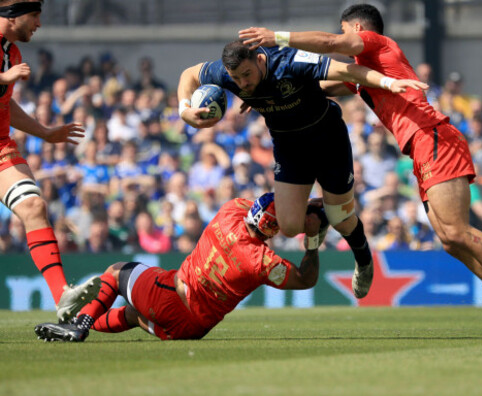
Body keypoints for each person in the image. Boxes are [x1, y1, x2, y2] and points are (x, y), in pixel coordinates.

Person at [239, 3, 482, 341]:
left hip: (432, 136)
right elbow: (322, 86)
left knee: (456, 231)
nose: (342, 37)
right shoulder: (370, 70)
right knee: (448, 241)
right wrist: (267, 92)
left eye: (344, 30)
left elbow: (329, 44)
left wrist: (277, 38)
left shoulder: (380, 45)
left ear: (356, 29)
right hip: (420, 148)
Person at [177, 39, 427, 299]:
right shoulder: (229, 73)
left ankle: (363, 259)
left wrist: (389, 82)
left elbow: (347, 71)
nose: (242, 84)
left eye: (246, 75)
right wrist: (185, 111)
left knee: (342, 219)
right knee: (290, 226)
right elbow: (189, 74)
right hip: (289, 149)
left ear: (260, 60)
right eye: (235, 79)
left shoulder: (288, 61)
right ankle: (318, 219)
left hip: (328, 139)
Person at [34, 193, 325, 342]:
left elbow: (263, 206)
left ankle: (79, 326)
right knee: (134, 315)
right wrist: (312, 240)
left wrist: (301, 201)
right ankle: (79, 319)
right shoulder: (263, 262)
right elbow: (305, 279)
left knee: (116, 271)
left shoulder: (230, 210)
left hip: (171, 297)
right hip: (192, 329)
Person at [0, 0, 100, 322]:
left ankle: (63, 297)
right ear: (13, 15)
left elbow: (6, 105)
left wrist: (44, 132)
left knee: (33, 207)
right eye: (35, 16)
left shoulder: (12, 54)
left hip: (1, 148)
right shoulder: (10, 63)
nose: (39, 23)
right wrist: (4, 78)